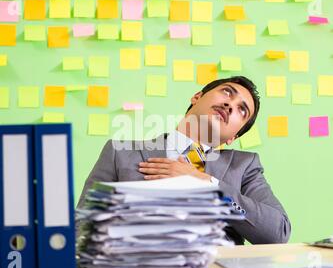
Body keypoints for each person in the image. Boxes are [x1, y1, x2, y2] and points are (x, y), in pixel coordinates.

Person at [78, 76, 291, 245]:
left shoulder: (245, 167)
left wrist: (208, 184)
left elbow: (277, 232)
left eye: (242, 110)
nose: (230, 105)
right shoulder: (120, 153)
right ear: (197, 97)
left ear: (233, 137)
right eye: (227, 92)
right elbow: (83, 228)